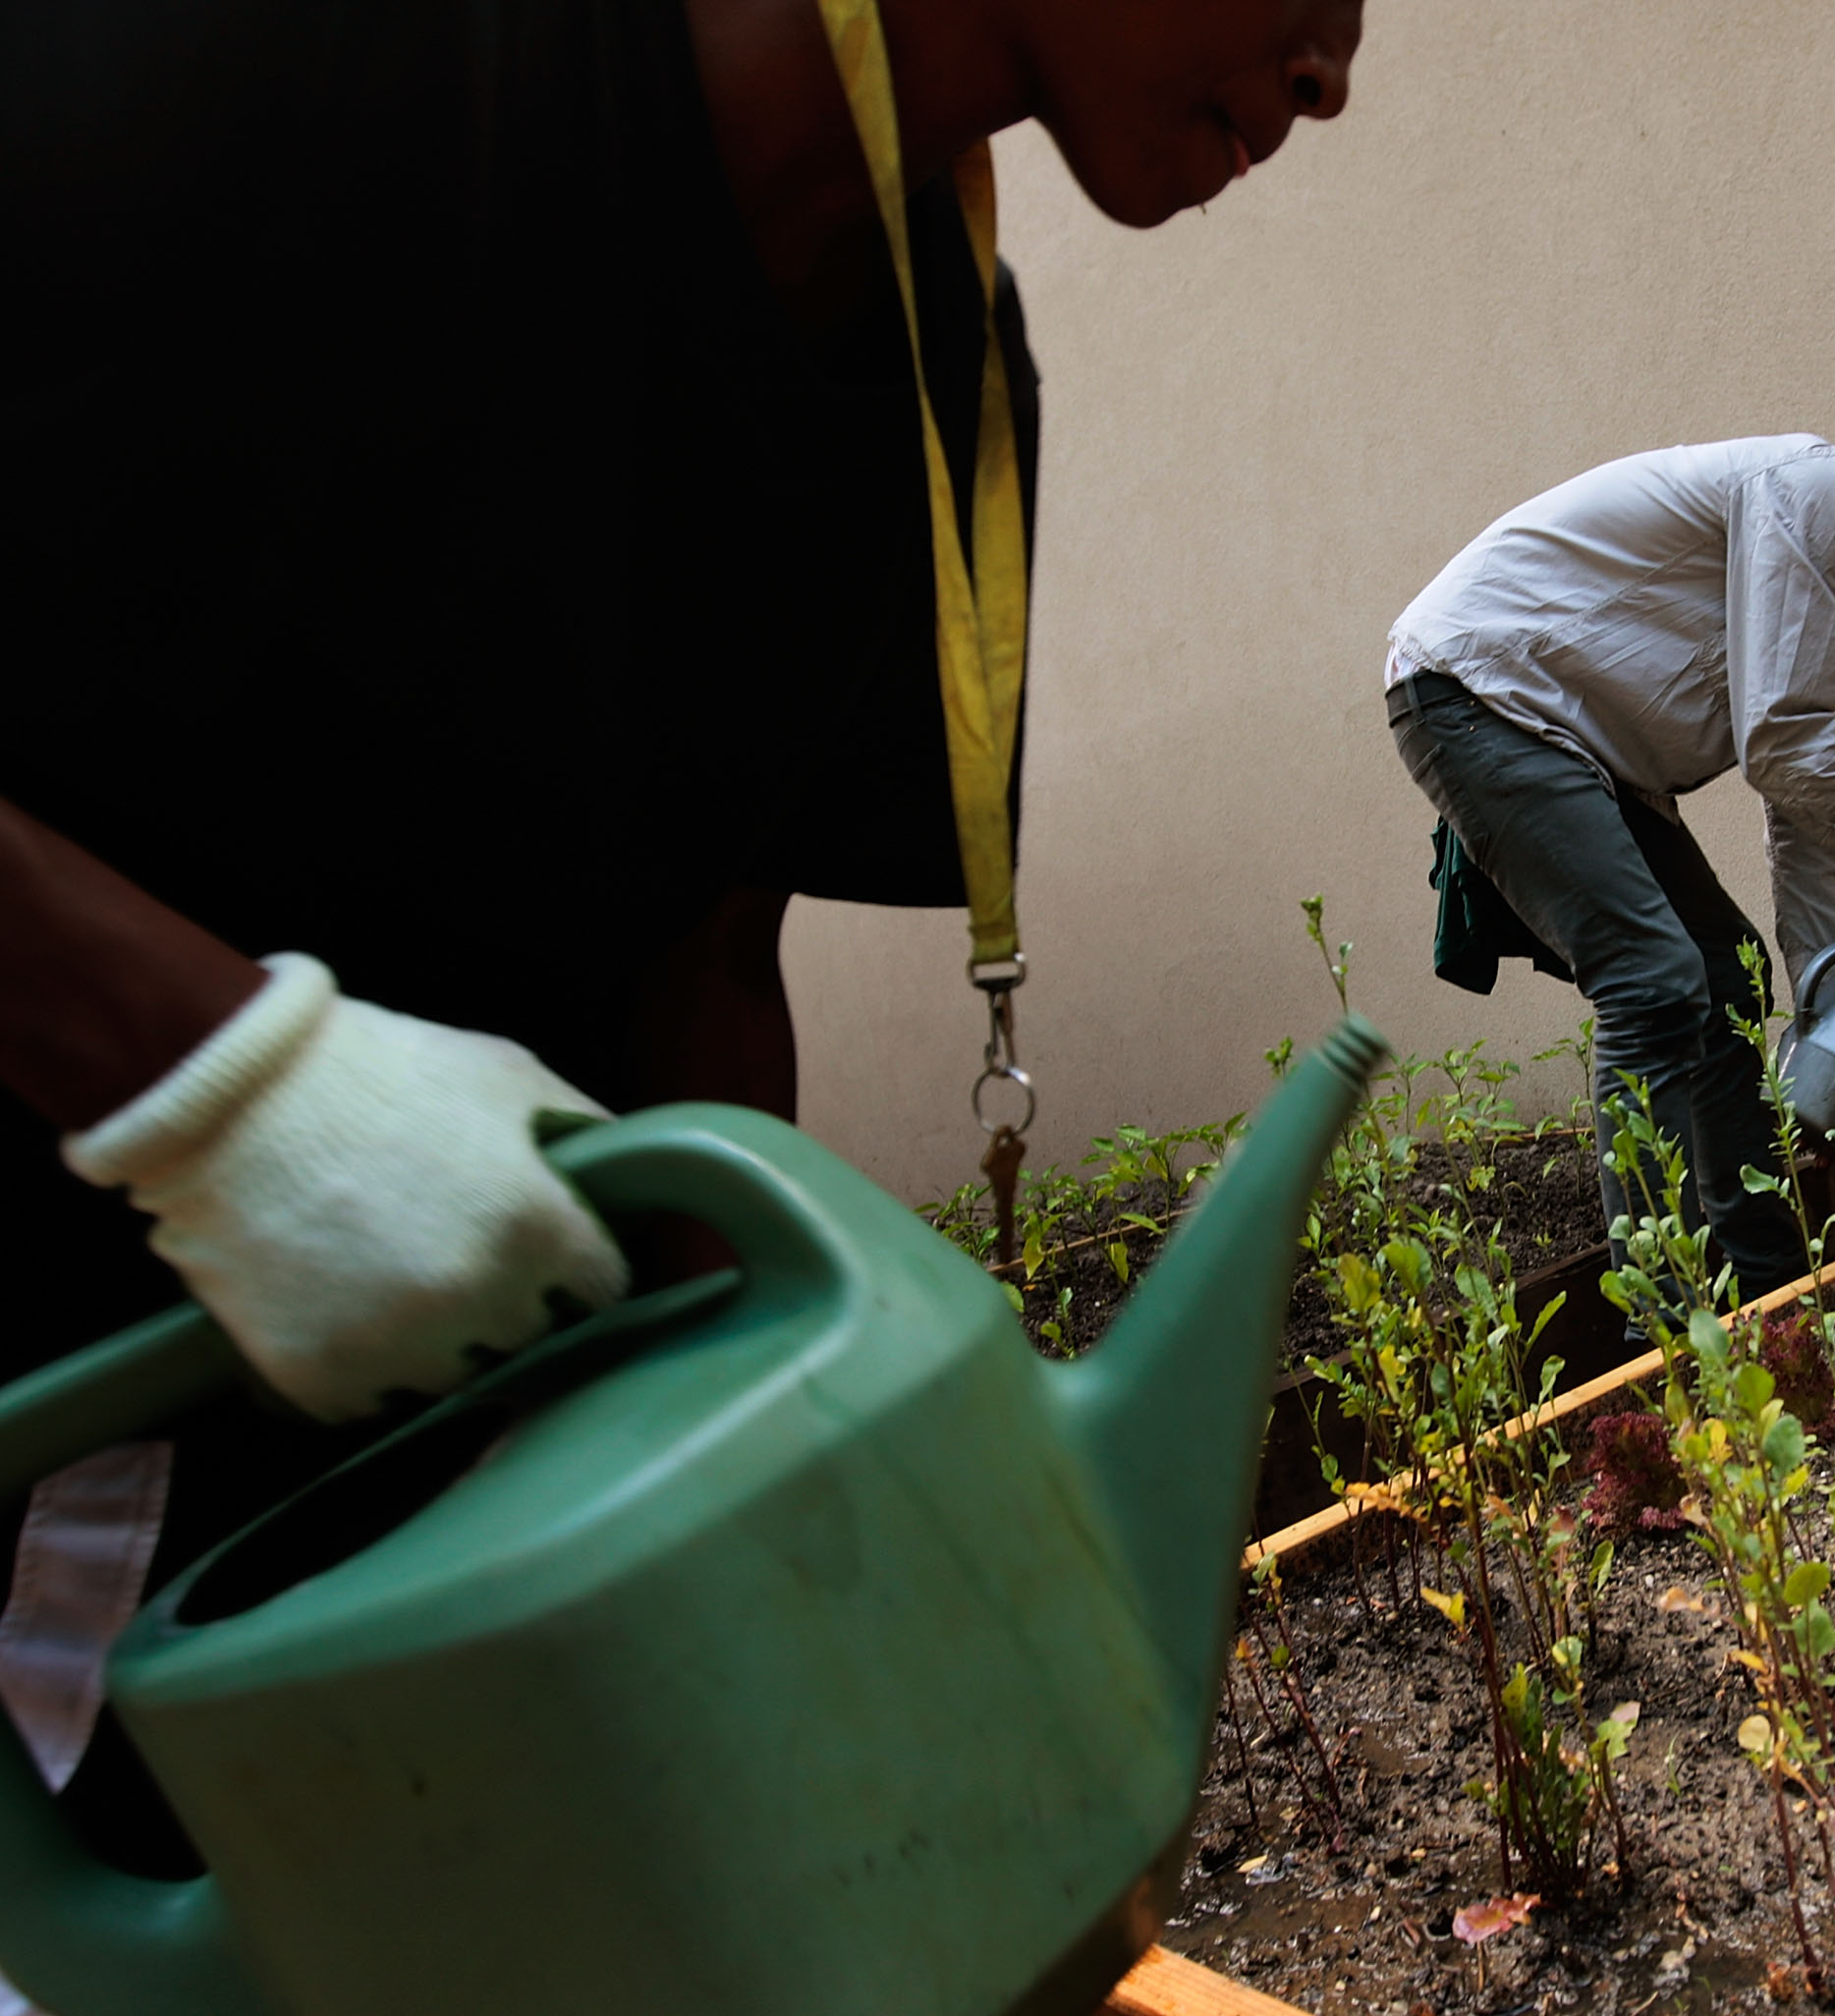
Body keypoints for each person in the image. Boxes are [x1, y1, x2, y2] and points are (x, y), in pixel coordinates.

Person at [0, 0, 1361, 1897]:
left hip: (337, 1571)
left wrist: (778, 1475)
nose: (1338, 68)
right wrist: (220, 1088)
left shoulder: (941, 373)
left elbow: (711, 957)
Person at [1383, 413, 1835, 1298]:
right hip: (1484, 693)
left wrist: (1823, 1020)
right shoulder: (1821, 495)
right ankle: (1664, 1326)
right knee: (1655, 980)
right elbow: (1781, 742)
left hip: (1578, 742)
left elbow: (1797, 786)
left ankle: (1770, 1289)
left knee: (1731, 975)